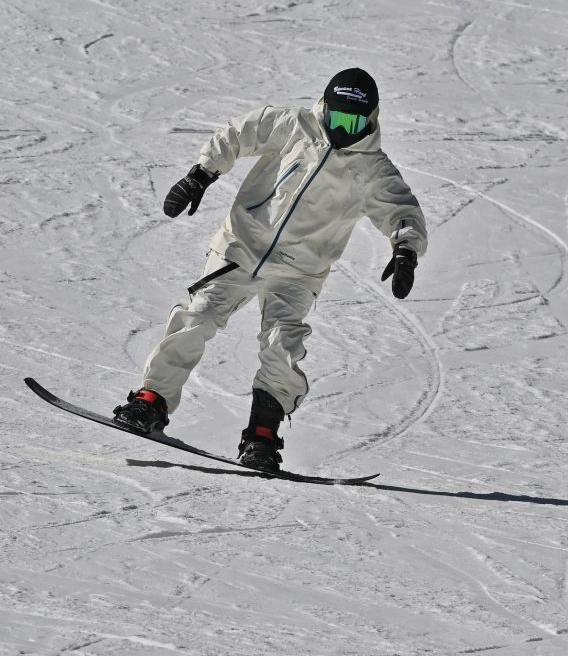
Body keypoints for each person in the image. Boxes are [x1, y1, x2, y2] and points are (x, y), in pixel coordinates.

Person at [112, 68, 427, 471]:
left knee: (282, 346)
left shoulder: (373, 169)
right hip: (241, 247)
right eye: (336, 118)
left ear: (371, 118)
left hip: (299, 271)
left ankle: (262, 436)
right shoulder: (293, 125)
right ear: (324, 108)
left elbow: (402, 210)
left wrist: (405, 250)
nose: (341, 130)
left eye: (353, 123)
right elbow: (239, 133)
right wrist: (201, 174)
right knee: (199, 315)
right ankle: (151, 401)